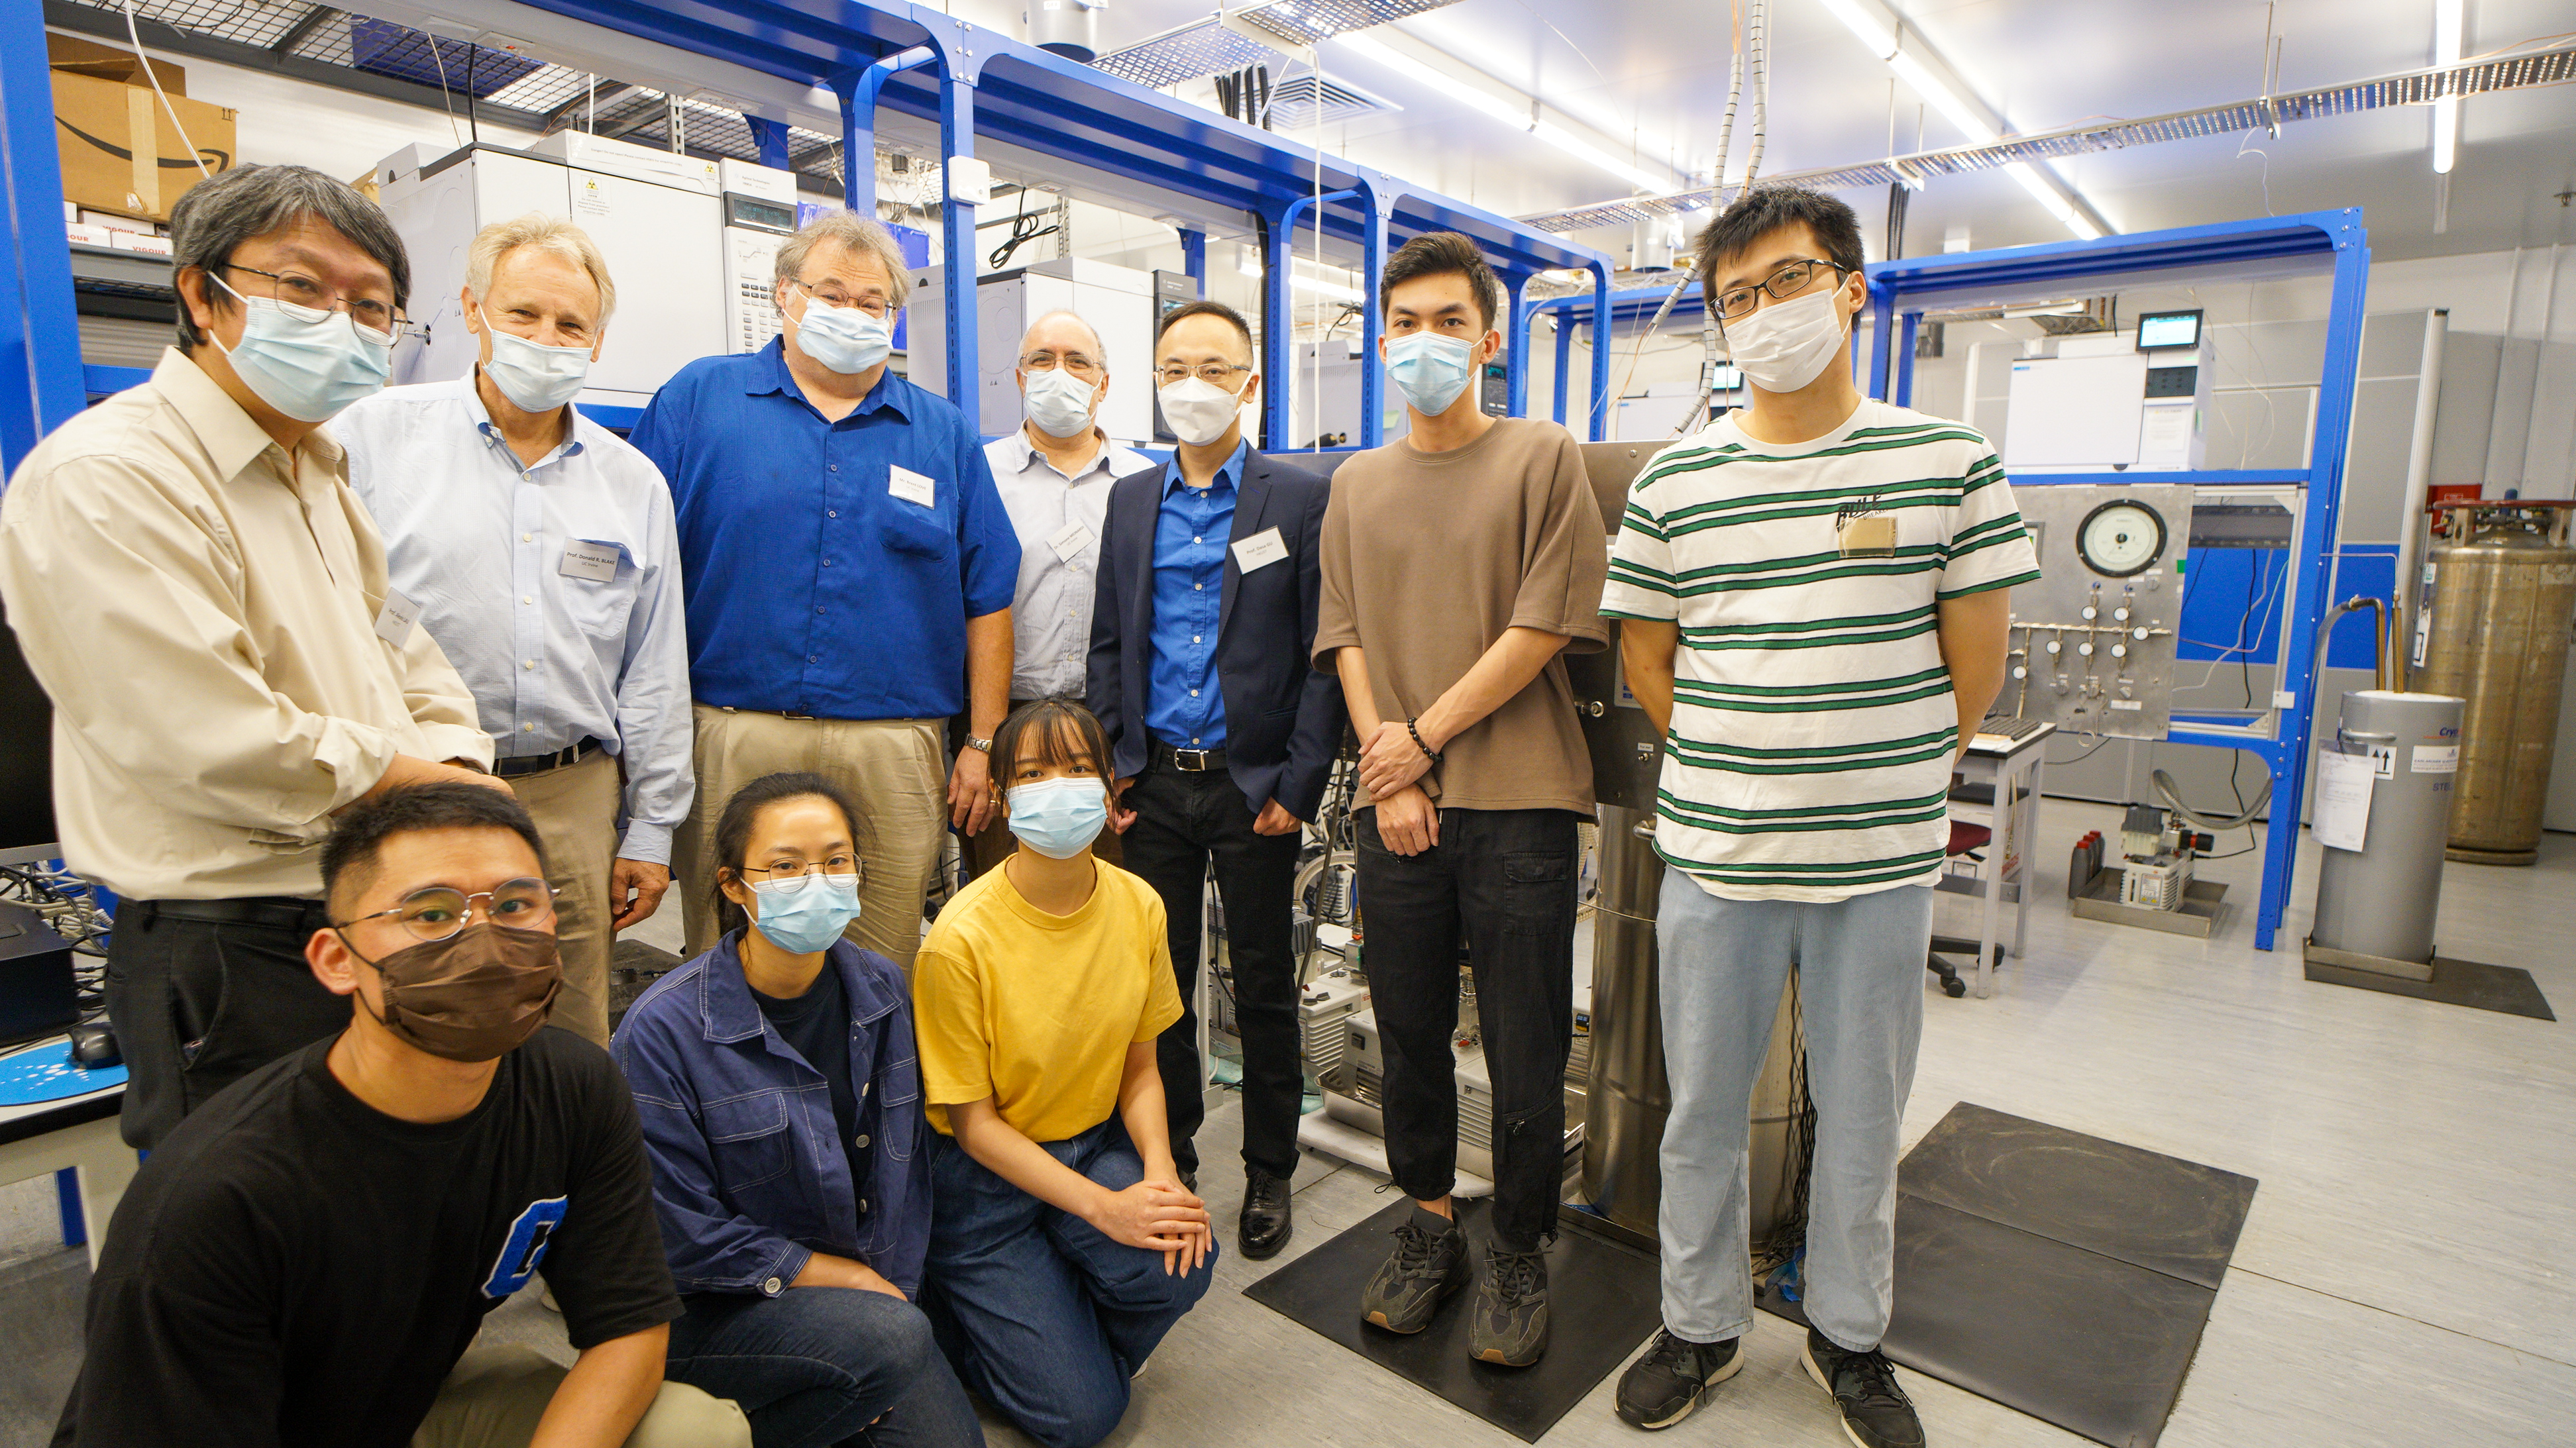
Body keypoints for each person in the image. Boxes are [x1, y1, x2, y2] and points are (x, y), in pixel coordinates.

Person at [1603, 185, 2038, 1447]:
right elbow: (1647, 659)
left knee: (1861, 1110)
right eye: (1736, 297)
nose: (1763, 313)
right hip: (1716, 857)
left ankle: (1849, 1341)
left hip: (1877, 863)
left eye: (1787, 282)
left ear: (1850, 288)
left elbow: (1975, 668)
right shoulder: (1676, 480)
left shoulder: (1945, 460)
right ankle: (1698, 1323)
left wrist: (1870, 772)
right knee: (1700, 1112)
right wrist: (1745, 766)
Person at [0, 164, 500, 1151]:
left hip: (371, 908)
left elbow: (405, 647)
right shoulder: (113, 477)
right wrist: (437, 793)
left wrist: (460, 765)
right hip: (235, 948)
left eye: (371, 306)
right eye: (302, 287)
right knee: (264, 1255)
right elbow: (208, 739)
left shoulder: (318, 475)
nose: (341, 321)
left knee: (389, 1215)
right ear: (201, 291)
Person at [52, 781, 749, 1447]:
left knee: (691, 1430)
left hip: (401, 1409)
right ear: (337, 959)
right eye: (431, 913)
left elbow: (628, 1329)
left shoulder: (575, 1084)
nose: (483, 940)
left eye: (514, 904)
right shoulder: (220, 1195)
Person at [1315, 232, 1608, 1368]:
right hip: (1400, 806)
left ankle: (1521, 1247)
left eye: (1449, 321)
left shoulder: (1542, 457)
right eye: (1405, 322)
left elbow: (1542, 626)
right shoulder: (1355, 483)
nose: (1424, 342)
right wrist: (1394, 770)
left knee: (1528, 1048)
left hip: (1518, 801)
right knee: (1411, 1037)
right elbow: (1345, 636)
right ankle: (1429, 1224)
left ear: (1489, 338)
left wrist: (1419, 743)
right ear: (1381, 340)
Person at [629, 211, 1018, 968]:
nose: (852, 311)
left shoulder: (941, 433)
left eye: (872, 302)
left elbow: (989, 592)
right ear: (785, 294)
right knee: (732, 949)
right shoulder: (700, 400)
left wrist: (981, 740)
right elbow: (639, 575)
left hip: (894, 743)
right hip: (731, 731)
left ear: (894, 317)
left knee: (884, 955)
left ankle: (874, 1087)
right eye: (830, 292)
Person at [339, 213, 690, 1048]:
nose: (546, 337)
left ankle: (559, 1179)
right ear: (473, 310)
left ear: (597, 343)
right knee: (420, 1008)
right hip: (416, 782)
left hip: (573, 797)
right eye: (524, 314)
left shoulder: (632, 481)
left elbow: (652, 668)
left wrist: (651, 829)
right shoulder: (373, 439)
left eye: (571, 324)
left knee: (568, 1020)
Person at [613, 773, 983, 1447]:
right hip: (715, 1307)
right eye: (785, 866)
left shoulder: (881, 985)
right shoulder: (661, 1030)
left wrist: (884, 1303)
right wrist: (860, 1296)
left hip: (857, 1298)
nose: (817, 881)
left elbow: (902, 1179)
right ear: (733, 883)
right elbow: (681, 1235)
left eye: (836, 861)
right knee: (890, 1344)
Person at [1087, 298, 1341, 1258]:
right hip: (1154, 780)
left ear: (1252, 383)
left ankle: (1271, 1168)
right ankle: (1175, 1158)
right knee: (1160, 986)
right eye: (1175, 366)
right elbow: (1111, 641)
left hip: (1253, 785)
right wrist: (1115, 758)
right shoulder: (1130, 498)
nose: (1192, 384)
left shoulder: (1299, 496)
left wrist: (1300, 781)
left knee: (1264, 980)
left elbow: (1324, 652)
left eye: (1214, 367)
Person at [911, 700, 1215, 1448]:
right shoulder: (959, 940)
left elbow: (1140, 1066)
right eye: (1033, 772)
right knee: (1083, 1418)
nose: (1059, 786)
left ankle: (1049, 1303)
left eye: (1080, 767)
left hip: (1087, 1143)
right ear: (1005, 801)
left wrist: (1159, 1171)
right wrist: (1104, 1211)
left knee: (1186, 1257)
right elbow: (975, 1126)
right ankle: (962, 1314)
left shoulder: (1139, 904)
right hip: (982, 1183)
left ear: (1113, 793)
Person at [964, 308, 1154, 876]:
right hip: (1004, 726)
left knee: (1112, 898)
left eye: (1077, 361)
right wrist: (979, 743)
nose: (1059, 372)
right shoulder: (977, 473)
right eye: (1042, 360)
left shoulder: (1145, 483)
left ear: (1104, 382)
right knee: (1009, 898)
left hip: (1109, 731)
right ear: (1021, 378)